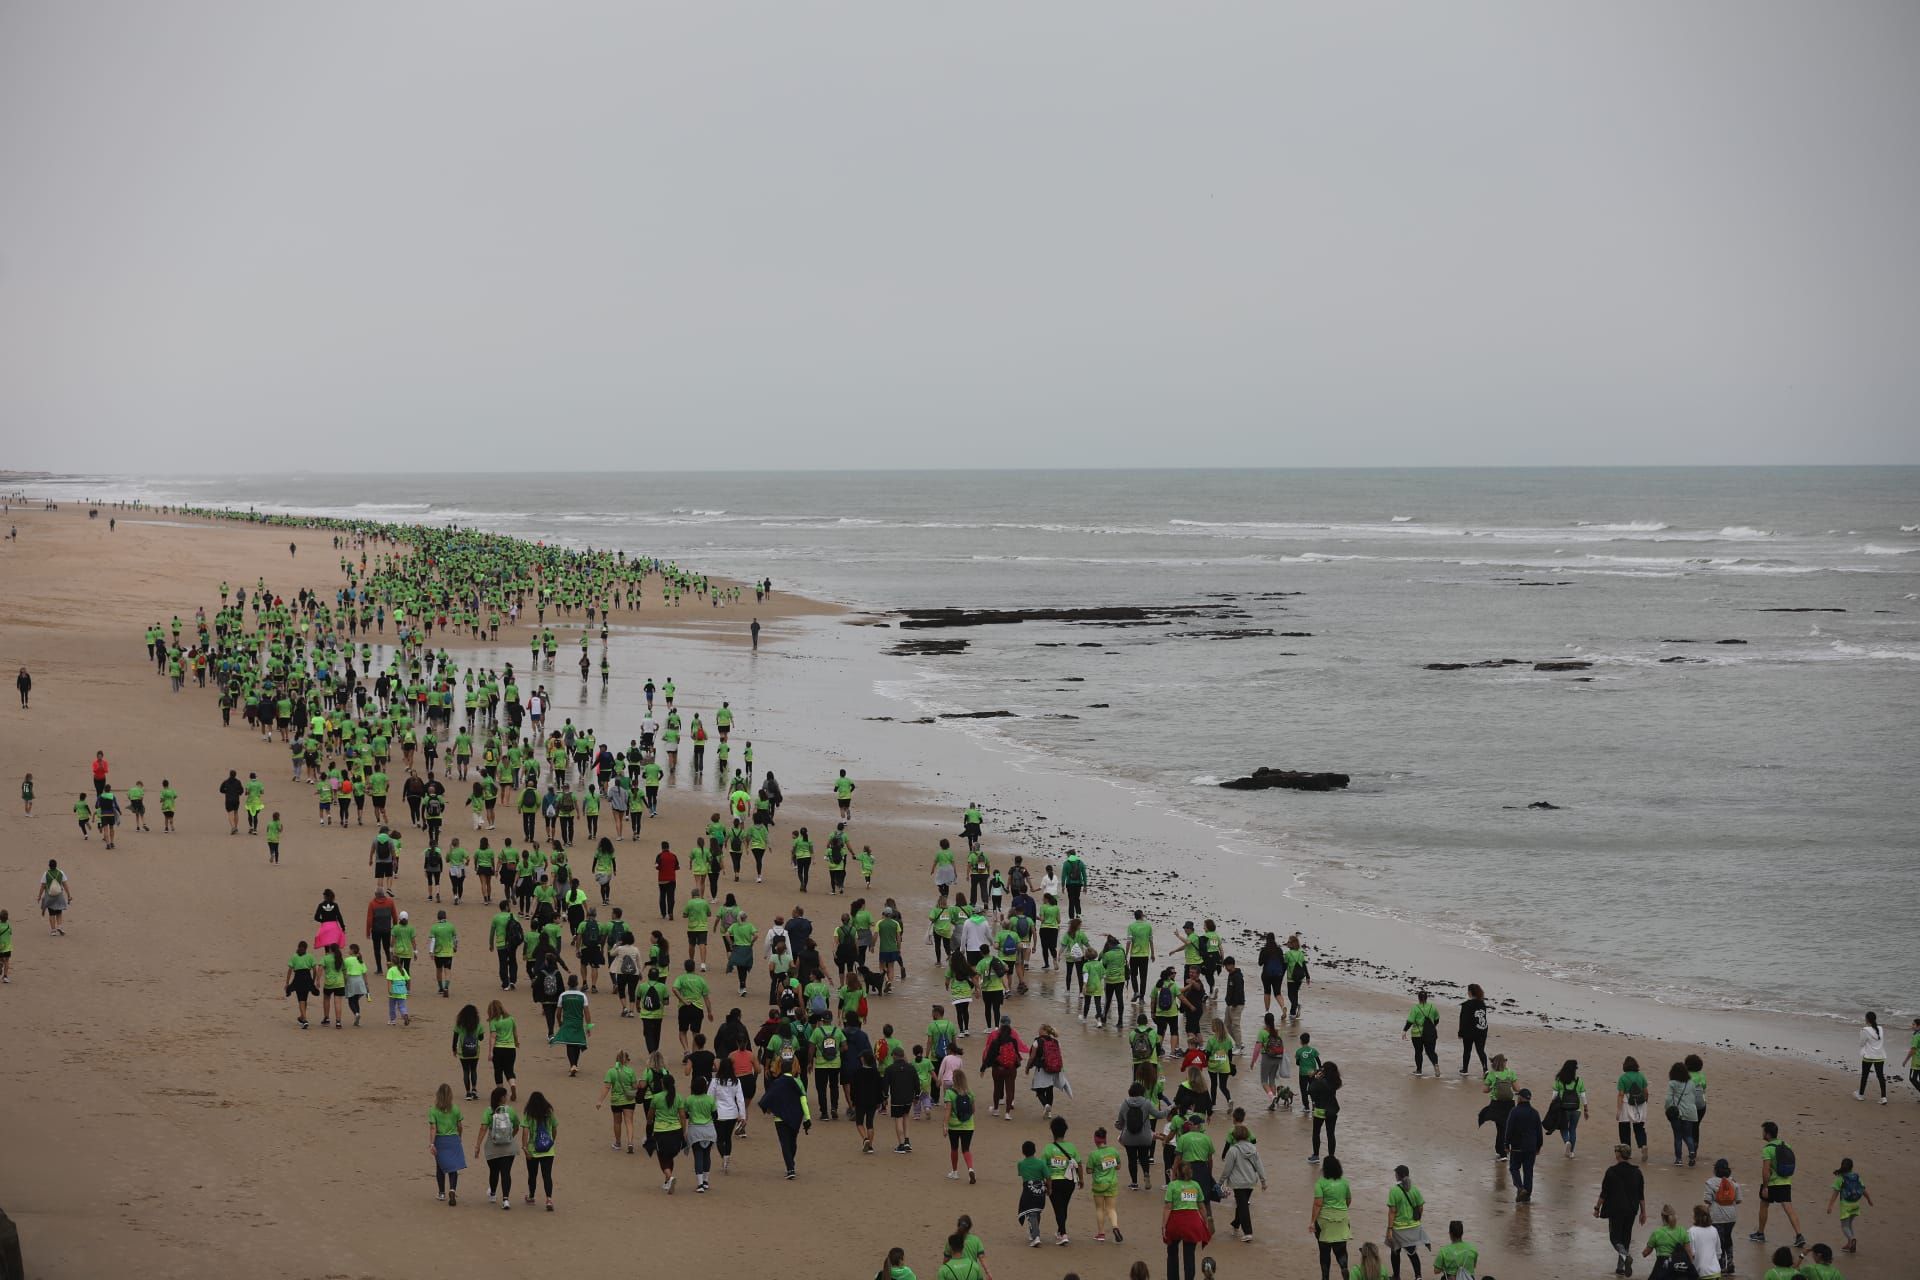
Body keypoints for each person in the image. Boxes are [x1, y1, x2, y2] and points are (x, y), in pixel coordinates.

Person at [1748, 1120, 1805, 1248]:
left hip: (1773, 1183)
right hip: (1786, 1182)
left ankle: (1760, 1233)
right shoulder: (1786, 1145)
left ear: (1768, 1134)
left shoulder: (1767, 1149)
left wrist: (1765, 1187)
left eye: (1763, 1131)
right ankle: (1799, 1235)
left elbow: (1765, 1170)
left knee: (1764, 1205)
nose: (1762, 1134)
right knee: (1789, 1209)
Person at [1596, 1144, 1647, 1276]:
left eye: (1616, 1151)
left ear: (1619, 1154)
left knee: (1615, 1238)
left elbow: (1604, 1193)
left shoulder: (1611, 1171)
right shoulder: (1637, 1172)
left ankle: (1625, 1256)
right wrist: (1643, 1212)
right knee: (1626, 1237)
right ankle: (1620, 1268)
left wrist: (1597, 1208)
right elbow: (1641, 1195)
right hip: (1631, 1209)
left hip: (1616, 1209)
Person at [759, 1052, 810, 1180]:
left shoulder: (777, 1083)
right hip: (796, 1117)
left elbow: (768, 1097)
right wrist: (807, 1118)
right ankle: (791, 1162)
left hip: (780, 1118)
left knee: (784, 1143)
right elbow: (803, 1100)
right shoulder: (798, 1082)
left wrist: (767, 1108)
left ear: (780, 1069)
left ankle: (790, 1167)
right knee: (793, 1142)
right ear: (792, 1069)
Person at [1162, 1157, 1211, 1280]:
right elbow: (1202, 1207)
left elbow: (1168, 1207)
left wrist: (1164, 1225)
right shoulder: (1195, 1185)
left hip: (1176, 1222)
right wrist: (1205, 1223)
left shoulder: (1172, 1185)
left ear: (1177, 1172)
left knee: (1172, 1253)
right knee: (1189, 1255)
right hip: (1192, 1222)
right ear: (1190, 1172)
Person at [473, 1086, 520, 1208]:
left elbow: (483, 1128)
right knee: (506, 1172)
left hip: (492, 1146)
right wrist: (510, 1136)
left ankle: (493, 1194)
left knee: (494, 1171)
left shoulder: (488, 1111)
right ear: (502, 1098)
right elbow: (517, 1126)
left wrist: (477, 1145)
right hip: (508, 1147)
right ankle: (506, 1200)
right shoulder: (510, 1111)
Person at [1220, 1124, 1267, 1243]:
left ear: (1234, 1136)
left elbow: (1227, 1169)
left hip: (1238, 1183)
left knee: (1243, 1205)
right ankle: (1236, 1224)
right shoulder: (1253, 1149)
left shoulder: (1233, 1150)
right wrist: (1263, 1181)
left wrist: (1220, 1182)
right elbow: (1259, 1165)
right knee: (1243, 1204)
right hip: (1251, 1181)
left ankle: (1248, 1232)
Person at [1040, 1115, 1082, 1245]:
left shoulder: (1048, 1148)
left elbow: (1043, 1168)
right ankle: (1060, 1231)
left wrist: (1045, 1183)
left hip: (1054, 1182)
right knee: (1063, 1207)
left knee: (1058, 1208)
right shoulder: (1072, 1147)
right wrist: (1081, 1179)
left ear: (1052, 1131)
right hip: (1069, 1182)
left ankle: (1064, 1234)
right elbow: (1079, 1164)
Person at [1312, 1154, 1354, 1280]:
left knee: (1324, 1252)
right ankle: (1344, 1267)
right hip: (1342, 1220)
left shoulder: (1320, 1183)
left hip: (1324, 1222)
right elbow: (1348, 1200)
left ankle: (1325, 1277)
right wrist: (1341, 1211)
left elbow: (1318, 1204)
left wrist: (1312, 1221)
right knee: (1341, 1250)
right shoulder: (1345, 1182)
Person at [1384, 1166, 1430, 1279]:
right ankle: (1418, 1276)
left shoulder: (1394, 1191)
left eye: (1396, 1174)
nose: (1395, 1175)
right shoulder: (1414, 1189)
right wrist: (1417, 1220)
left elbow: (1392, 1212)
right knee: (1412, 1253)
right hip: (1413, 1228)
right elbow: (1420, 1207)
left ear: (1398, 1176)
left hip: (1398, 1228)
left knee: (1395, 1252)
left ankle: (1396, 1276)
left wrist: (1389, 1229)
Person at [427, 1082, 465, 1206]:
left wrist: (432, 1144)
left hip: (440, 1140)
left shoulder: (433, 1110)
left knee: (440, 1167)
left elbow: (433, 1128)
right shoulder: (455, 1109)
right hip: (453, 1139)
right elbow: (460, 1126)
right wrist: (459, 1137)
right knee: (453, 1167)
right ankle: (452, 1189)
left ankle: (442, 1193)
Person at [520, 1091, 557, 1210]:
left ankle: (531, 1196)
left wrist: (525, 1148)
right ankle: (549, 1199)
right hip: (548, 1150)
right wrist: (551, 1141)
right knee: (547, 1175)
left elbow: (525, 1132)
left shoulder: (529, 1114)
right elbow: (554, 1128)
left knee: (532, 1175)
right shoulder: (549, 1112)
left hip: (533, 1149)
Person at [1824, 1156, 1870, 1254]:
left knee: (1844, 1226)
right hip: (1856, 1205)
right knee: (1849, 1224)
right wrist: (1869, 1200)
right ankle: (1849, 1244)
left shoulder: (1840, 1178)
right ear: (1852, 1167)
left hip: (1846, 1206)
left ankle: (1852, 1239)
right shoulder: (1857, 1177)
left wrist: (1830, 1206)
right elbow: (1863, 1190)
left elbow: (1835, 1193)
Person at [1702, 1158, 1741, 1271]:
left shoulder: (1710, 1182)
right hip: (1731, 1216)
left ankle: (1721, 1264)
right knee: (1728, 1237)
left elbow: (1707, 1200)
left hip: (1716, 1216)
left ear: (1715, 1169)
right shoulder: (1733, 1182)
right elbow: (1738, 1200)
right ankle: (1730, 1261)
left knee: (1719, 1240)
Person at [1506, 1088, 1544, 1203]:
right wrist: (1538, 1146)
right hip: (1531, 1147)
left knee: (1514, 1168)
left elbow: (1509, 1129)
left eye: (1518, 1096)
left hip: (1517, 1146)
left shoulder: (1514, 1111)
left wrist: (1506, 1144)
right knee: (1528, 1172)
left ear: (1521, 1098)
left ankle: (1520, 1187)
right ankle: (1527, 1197)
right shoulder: (1535, 1113)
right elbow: (1539, 1131)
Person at [1665, 1062, 1701, 1167]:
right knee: (1688, 1135)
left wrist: (1668, 1109)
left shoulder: (1672, 1083)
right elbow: (1693, 1097)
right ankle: (1692, 1153)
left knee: (1678, 1137)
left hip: (1677, 1113)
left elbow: (1668, 1099)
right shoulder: (1691, 1083)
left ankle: (1679, 1159)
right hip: (1690, 1112)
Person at [1617, 1056, 1651, 1163]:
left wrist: (1618, 1110)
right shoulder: (1641, 1076)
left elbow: (1621, 1094)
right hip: (1639, 1104)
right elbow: (1646, 1092)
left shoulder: (1623, 1078)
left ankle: (1626, 1152)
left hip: (1626, 1104)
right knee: (1639, 1128)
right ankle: (1643, 1145)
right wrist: (1645, 1102)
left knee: (1624, 1128)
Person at [1553, 1059, 1589, 1157]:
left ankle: (1567, 1141)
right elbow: (1583, 1096)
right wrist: (1586, 1110)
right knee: (1572, 1129)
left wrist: (1553, 1108)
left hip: (1563, 1109)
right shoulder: (1579, 1080)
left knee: (1563, 1128)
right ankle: (1572, 1152)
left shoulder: (1559, 1080)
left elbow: (1554, 1096)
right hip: (1576, 1109)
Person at [1307, 1060, 1342, 1163]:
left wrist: (1315, 1079)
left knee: (1316, 1132)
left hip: (1320, 1109)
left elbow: (1310, 1090)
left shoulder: (1320, 1081)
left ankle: (1316, 1155)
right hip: (1332, 1109)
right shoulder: (1335, 1082)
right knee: (1330, 1134)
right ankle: (1331, 1157)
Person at [1403, 988, 1440, 1076]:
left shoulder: (1415, 1008)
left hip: (1417, 1034)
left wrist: (1404, 1030)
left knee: (1418, 1052)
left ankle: (1419, 1070)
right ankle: (1435, 1064)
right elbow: (1437, 1019)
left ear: (1418, 998)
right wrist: (1431, 1027)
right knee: (1431, 1051)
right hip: (1430, 1034)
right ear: (1427, 998)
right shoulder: (1432, 1007)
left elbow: (1410, 1021)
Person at [1855, 1011, 1887, 1103]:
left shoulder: (1865, 1030)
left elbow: (1861, 1043)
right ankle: (1883, 1097)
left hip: (1869, 1055)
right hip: (1880, 1055)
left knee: (1864, 1076)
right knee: (1880, 1076)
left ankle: (1861, 1095)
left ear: (1867, 1019)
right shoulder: (1880, 1028)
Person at [1458, 983, 1489, 1074]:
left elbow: (1463, 1020)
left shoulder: (1466, 1005)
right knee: (1480, 1050)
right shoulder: (1482, 1004)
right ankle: (1485, 1069)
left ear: (1470, 992)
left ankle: (1465, 1069)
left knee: (1467, 1050)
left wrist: (1460, 1032)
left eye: (1468, 991)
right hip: (1482, 1030)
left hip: (1469, 1031)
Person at [37, 860, 70, 936]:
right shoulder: (60, 872)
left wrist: (39, 896)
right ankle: (59, 926)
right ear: (56, 865)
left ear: (49, 866)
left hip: (49, 895)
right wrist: (69, 895)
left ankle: (53, 931)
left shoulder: (46, 873)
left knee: (51, 913)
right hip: (59, 895)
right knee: (59, 911)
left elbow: (43, 886)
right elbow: (65, 884)